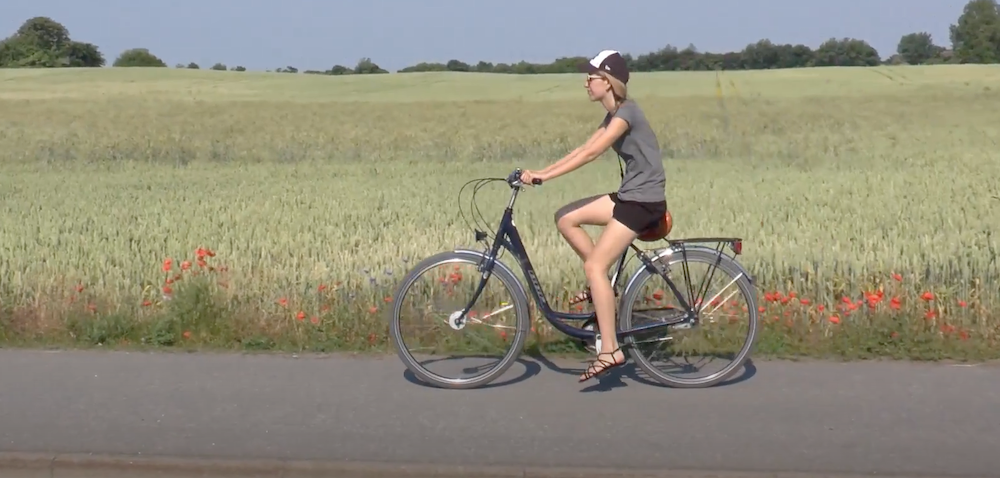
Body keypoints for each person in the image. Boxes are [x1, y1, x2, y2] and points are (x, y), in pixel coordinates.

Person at [519, 49, 667, 383]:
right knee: (566, 217)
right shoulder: (613, 113)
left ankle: (610, 350)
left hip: (643, 202)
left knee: (595, 266)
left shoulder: (627, 112)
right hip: (630, 196)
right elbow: (579, 149)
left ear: (609, 82)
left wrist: (544, 177)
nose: (586, 82)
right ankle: (600, 286)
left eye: (592, 77)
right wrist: (538, 172)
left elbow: (591, 154)